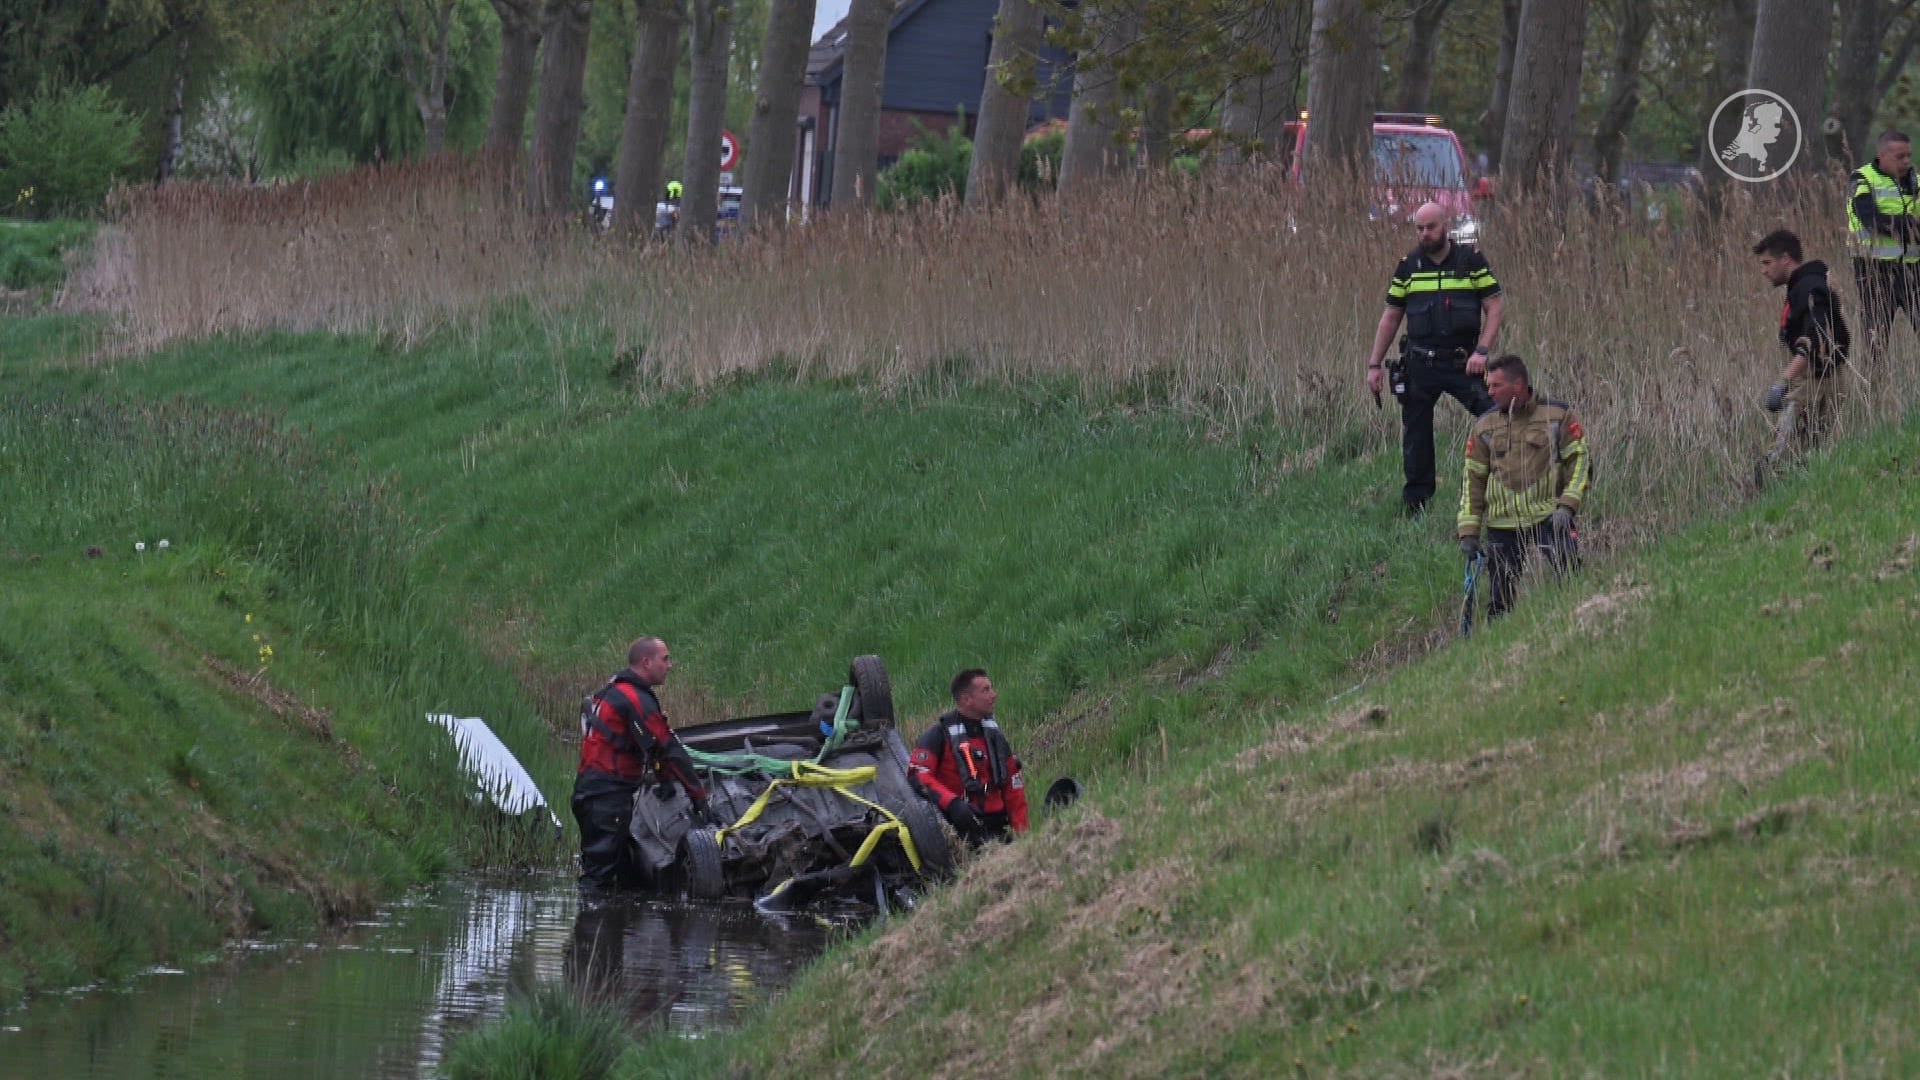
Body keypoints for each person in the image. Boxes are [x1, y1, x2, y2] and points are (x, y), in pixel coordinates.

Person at [1366, 201, 1505, 516]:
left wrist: (1482, 351)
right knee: (1416, 438)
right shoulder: (1409, 266)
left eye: (1431, 227)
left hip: (1463, 363)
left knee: (1496, 420)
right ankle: (1416, 508)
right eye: (1419, 228)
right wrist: (1374, 364)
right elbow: (1391, 316)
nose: (1424, 234)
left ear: (1446, 225)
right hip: (1419, 365)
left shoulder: (1471, 260)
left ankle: (1502, 491)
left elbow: (1494, 306)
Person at [1456, 355, 1590, 618]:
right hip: (1501, 525)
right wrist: (1468, 532)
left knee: (1573, 580)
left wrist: (1567, 506)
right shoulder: (1484, 426)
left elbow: (1581, 460)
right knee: (1499, 603)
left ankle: (1581, 626)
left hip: (1551, 518)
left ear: (1518, 385)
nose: (1489, 392)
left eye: (1496, 386)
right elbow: (1472, 480)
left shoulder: (1557, 415)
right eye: (1488, 385)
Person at [572, 636, 709, 887]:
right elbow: (670, 749)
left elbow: (651, 746)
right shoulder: (634, 698)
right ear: (646, 662)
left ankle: (617, 925)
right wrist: (698, 796)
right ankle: (588, 924)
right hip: (605, 799)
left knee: (625, 879)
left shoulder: (616, 691)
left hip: (596, 794)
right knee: (597, 881)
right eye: (665, 659)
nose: (670, 665)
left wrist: (665, 781)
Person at [1754, 229, 1850, 467]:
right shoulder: (1803, 286)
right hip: (1817, 382)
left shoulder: (1810, 288)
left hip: (1815, 384)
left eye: (1767, 263)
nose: (1763, 270)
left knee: (1778, 457)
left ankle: (1759, 496)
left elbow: (1817, 338)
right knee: (1804, 457)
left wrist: (1782, 381)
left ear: (1786, 259)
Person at [909, 668, 1029, 844]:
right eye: (986, 690)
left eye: (991, 688)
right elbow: (918, 775)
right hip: (960, 831)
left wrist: (1024, 838)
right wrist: (953, 804)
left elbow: (1014, 787)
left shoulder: (995, 737)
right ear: (967, 699)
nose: (994, 695)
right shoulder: (939, 735)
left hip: (997, 830)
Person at [1845, 131, 1920, 355]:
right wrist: (1912, 226)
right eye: (1900, 157)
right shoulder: (1862, 179)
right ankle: (1873, 388)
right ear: (1882, 155)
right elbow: (1871, 220)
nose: (1906, 161)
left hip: (1913, 268)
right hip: (1873, 269)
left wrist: (1897, 226)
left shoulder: (1917, 181)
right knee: (1876, 340)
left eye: (1909, 155)